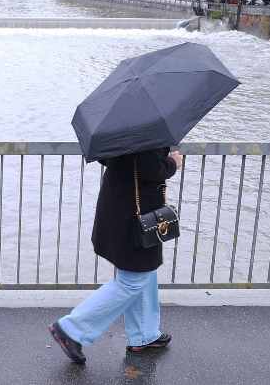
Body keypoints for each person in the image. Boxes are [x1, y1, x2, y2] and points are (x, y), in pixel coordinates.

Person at [49, 148, 183, 364]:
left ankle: (144, 335)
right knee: (133, 280)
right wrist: (172, 163)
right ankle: (70, 329)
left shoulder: (120, 132)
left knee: (144, 273)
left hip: (120, 209)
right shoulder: (144, 129)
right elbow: (150, 169)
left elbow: (106, 156)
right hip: (134, 218)